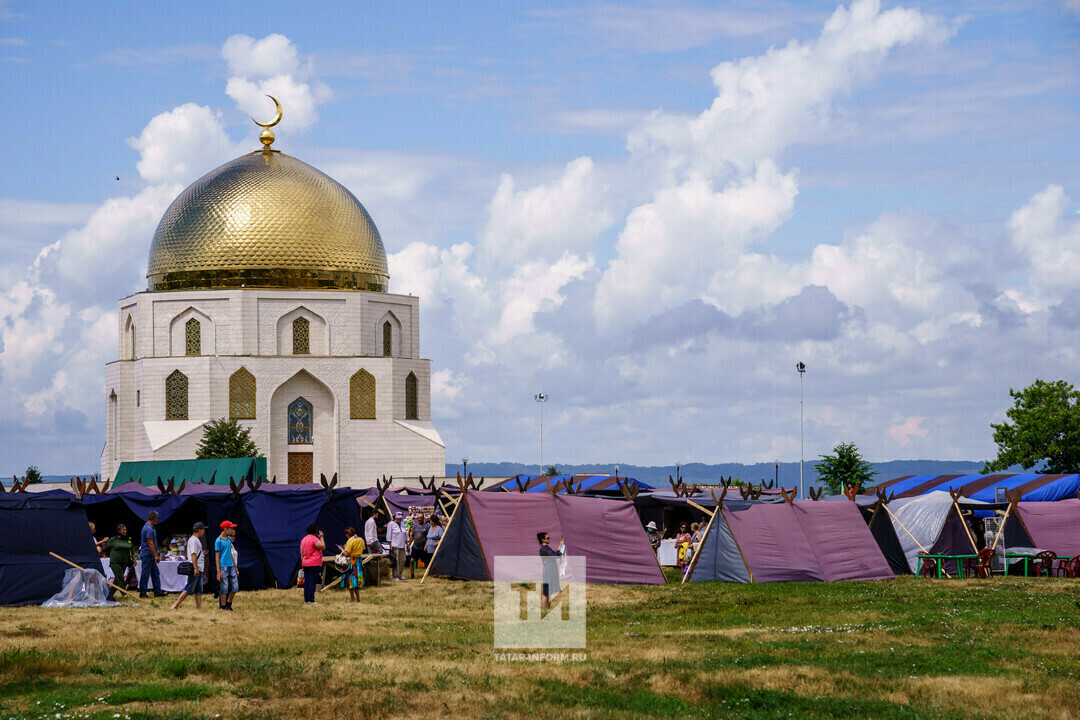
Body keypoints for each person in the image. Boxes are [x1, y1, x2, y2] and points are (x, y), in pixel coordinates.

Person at [172, 522, 207, 611]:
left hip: (199, 567)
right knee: (190, 587)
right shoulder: (194, 540)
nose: (204, 532)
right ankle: (175, 605)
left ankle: (199, 608)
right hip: (196, 567)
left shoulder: (194, 540)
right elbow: (193, 554)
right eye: (203, 530)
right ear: (199, 530)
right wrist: (195, 568)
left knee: (199, 588)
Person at [102, 524, 133, 600]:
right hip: (115, 562)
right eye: (123, 530)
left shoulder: (127, 540)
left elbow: (131, 549)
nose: (125, 531)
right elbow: (106, 548)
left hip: (124, 562)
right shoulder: (113, 540)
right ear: (119, 531)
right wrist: (99, 550)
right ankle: (124, 594)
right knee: (120, 577)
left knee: (117, 580)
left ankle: (109, 595)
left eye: (126, 529)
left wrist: (133, 559)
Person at [138, 511, 165, 598]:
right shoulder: (149, 529)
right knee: (145, 574)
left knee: (155, 573)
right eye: (157, 518)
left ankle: (157, 591)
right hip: (148, 554)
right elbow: (150, 543)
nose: (157, 520)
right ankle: (142, 593)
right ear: (154, 518)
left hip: (149, 555)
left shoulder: (148, 527)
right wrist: (156, 555)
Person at [215, 520, 238, 611]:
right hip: (223, 566)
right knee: (224, 587)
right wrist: (218, 571)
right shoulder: (218, 541)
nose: (232, 530)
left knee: (235, 587)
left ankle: (229, 603)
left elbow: (230, 553)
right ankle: (223, 607)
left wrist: (235, 566)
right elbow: (217, 556)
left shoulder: (229, 539)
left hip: (231, 565)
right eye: (231, 528)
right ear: (225, 529)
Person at [300, 524, 326, 604]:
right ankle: (311, 599)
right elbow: (322, 547)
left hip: (305, 562)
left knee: (307, 581)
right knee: (312, 581)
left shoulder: (303, 540)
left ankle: (306, 599)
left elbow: (301, 553)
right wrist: (321, 538)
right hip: (314, 563)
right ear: (315, 531)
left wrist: (302, 563)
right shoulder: (314, 539)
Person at [538, 532, 564, 610]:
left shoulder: (547, 548)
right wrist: (560, 545)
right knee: (546, 592)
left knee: (548, 591)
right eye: (547, 538)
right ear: (543, 539)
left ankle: (547, 608)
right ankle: (544, 609)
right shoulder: (544, 549)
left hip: (551, 571)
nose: (549, 539)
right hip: (548, 572)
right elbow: (554, 556)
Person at [340, 526, 366, 601]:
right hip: (359, 561)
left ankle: (352, 598)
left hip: (352, 561)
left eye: (346, 533)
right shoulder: (360, 539)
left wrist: (341, 549)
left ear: (348, 534)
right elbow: (363, 548)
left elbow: (346, 553)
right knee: (357, 579)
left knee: (351, 579)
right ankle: (358, 598)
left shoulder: (350, 541)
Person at [386, 512, 409, 581]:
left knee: (403, 559)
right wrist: (390, 545)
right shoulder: (391, 524)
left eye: (400, 518)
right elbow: (389, 535)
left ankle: (400, 574)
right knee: (396, 560)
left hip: (402, 545)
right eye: (398, 518)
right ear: (395, 517)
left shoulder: (402, 523)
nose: (399, 519)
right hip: (395, 545)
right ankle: (395, 575)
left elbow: (405, 534)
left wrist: (407, 543)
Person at [409, 513, 432, 579]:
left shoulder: (427, 526)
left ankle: (427, 574)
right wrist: (409, 544)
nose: (419, 519)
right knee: (412, 560)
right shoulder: (415, 526)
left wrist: (426, 545)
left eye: (420, 518)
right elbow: (412, 536)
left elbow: (428, 537)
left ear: (423, 518)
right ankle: (412, 575)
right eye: (418, 518)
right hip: (415, 547)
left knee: (426, 562)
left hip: (423, 547)